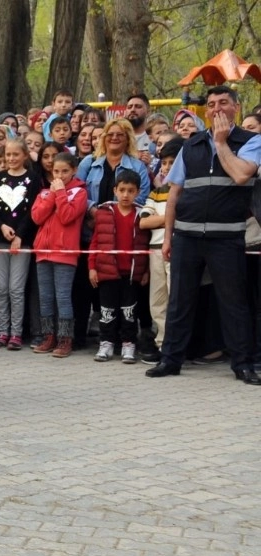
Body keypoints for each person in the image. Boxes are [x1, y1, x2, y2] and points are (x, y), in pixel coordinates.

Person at [146, 85, 261, 384]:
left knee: (233, 303)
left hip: (227, 238)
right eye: (211, 104)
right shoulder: (192, 144)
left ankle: (243, 364)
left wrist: (222, 143)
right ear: (206, 111)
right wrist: (168, 237)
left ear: (236, 106)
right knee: (179, 301)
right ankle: (170, 360)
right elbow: (174, 195)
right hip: (186, 236)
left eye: (223, 102)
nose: (217, 109)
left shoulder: (251, 141)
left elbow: (240, 175)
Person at [0, 137, 41, 350]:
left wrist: (19, 234)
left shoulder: (33, 179)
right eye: (8, 154)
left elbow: (33, 210)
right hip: (0, 240)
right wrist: (1, 227)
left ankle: (16, 333)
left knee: (16, 289)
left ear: (25, 156)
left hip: (22, 242)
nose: (11, 158)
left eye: (15, 154)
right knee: (1, 288)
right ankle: (2, 331)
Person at [30, 152, 87, 358]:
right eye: (56, 171)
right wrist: (54, 194)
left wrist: (61, 193)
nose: (60, 175)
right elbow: (37, 217)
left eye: (65, 171)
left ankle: (65, 339)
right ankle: (48, 336)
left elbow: (67, 216)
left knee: (62, 297)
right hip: (43, 251)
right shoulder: (45, 192)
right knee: (45, 298)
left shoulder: (79, 193)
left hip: (64, 252)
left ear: (74, 170)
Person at [89, 170, 150, 363]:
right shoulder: (104, 213)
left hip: (131, 274)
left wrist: (146, 270)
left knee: (129, 312)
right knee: (107, 311)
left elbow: (146, 244)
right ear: (115, 190)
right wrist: (92, 267)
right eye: (122, 190)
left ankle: (128, 344)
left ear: (138, 192)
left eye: (130, 191)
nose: (126, 195)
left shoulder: (142, 215)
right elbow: (95, 242)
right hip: (107, 271)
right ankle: (106, 343)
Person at [138, 137, 183, 363]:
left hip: (179, 249)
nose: (166, 168)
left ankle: (177, 345)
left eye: (172, 162)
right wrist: (171, 217)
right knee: (158, 300)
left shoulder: (188, 190)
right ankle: (162, 343)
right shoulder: (157, 192)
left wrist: (162, 218)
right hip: (155, 250)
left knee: (177, 297)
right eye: (164, 163)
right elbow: (144, 221)